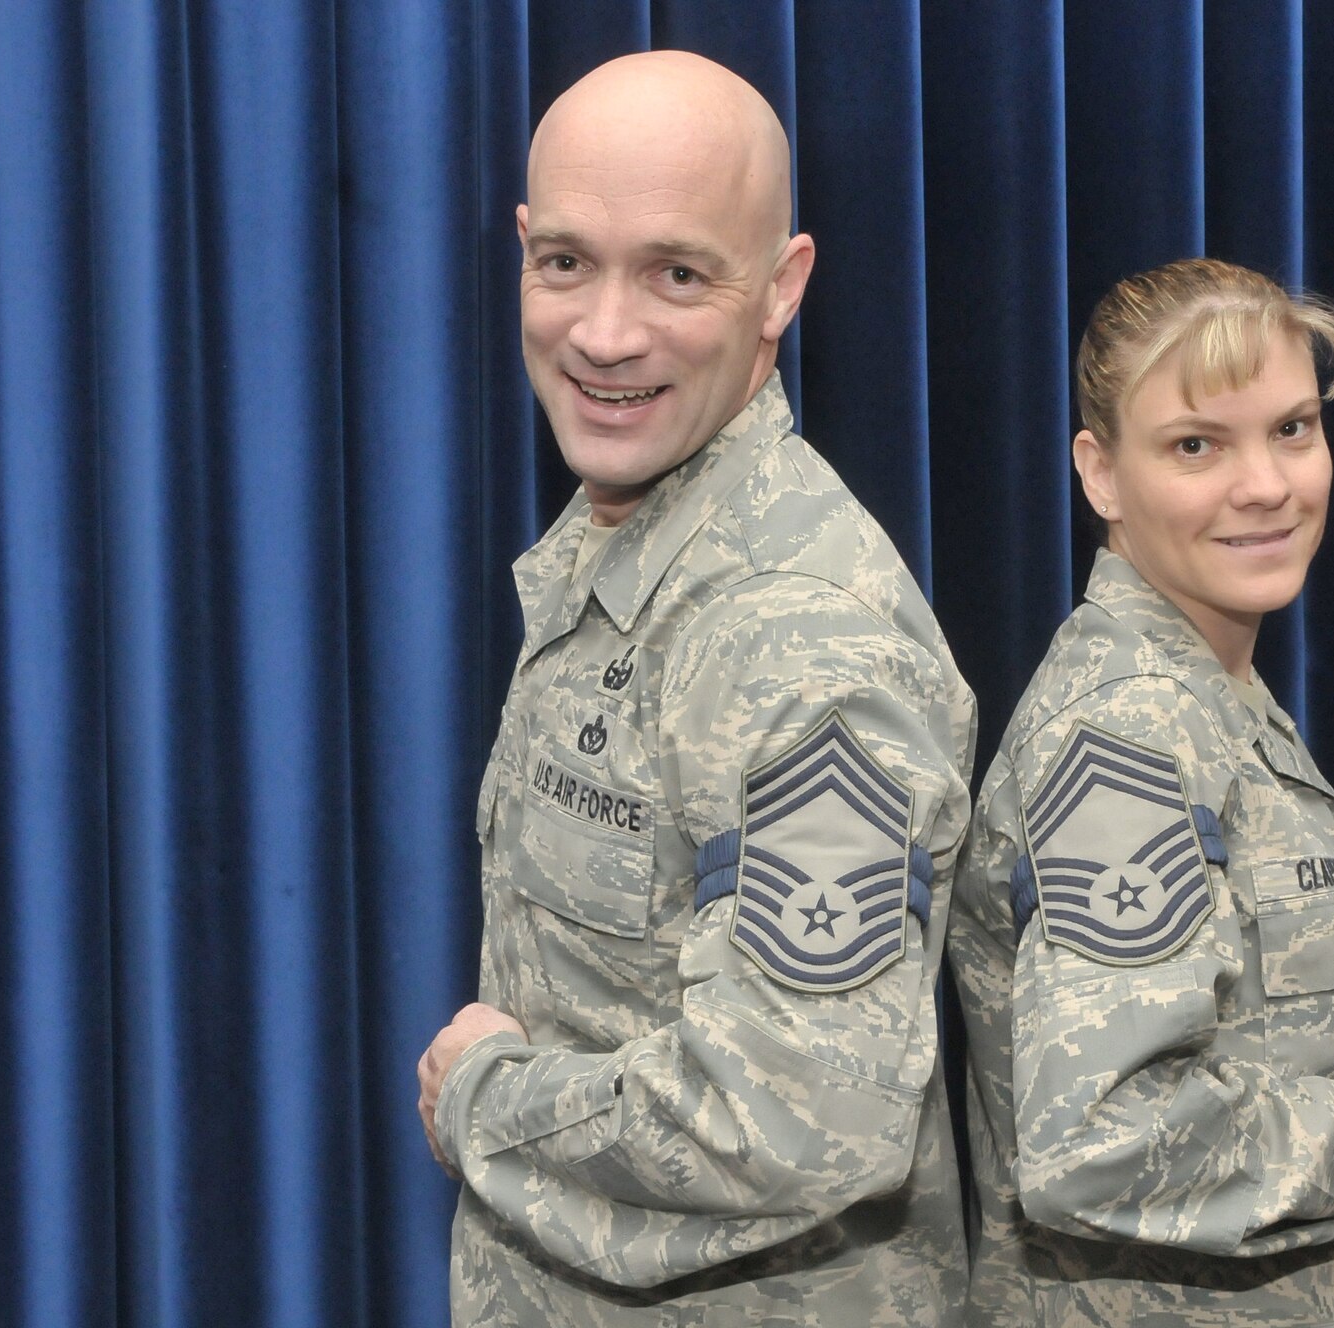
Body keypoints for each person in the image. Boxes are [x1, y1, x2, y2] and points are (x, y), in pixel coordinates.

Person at [413, 51, 977, 1326]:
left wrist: (481, 1097)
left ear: (781, 287)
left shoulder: (800, 641)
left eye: (676, 273)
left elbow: (799, 1116)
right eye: (564, 261)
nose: (604, 334)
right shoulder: (627, 540)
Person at [947, 258, 1334, 1325]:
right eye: (1195, 444)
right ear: (1099, 473)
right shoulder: (1124, 733)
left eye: (1291, 428)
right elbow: (1096, 1141)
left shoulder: (1213, 693)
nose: (1264, 483)